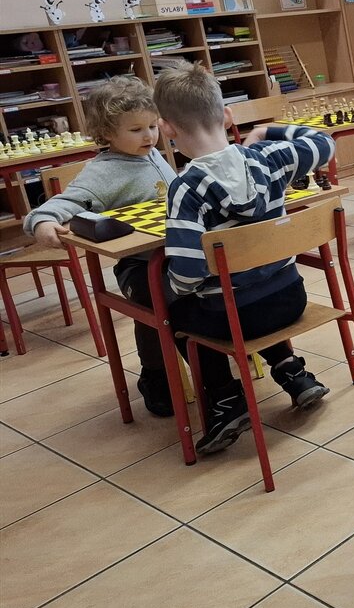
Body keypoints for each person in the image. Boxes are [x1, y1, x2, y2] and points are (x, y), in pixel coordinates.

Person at [154, 62, 333, 455]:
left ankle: (225, 399)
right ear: (228, 116)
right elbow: (324, 142)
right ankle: (292, 372)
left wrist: (178, 286)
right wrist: (268, 131)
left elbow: (187, 271)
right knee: (248, 293)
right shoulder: (270, 157)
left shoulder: (186, 189)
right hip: (291, 299)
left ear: (167, 129)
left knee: (176, 307)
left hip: (232, 320)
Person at [25, 76, 177, 416]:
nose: (149, 136)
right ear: (107, 133)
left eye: (152, 126)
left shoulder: (152, 154)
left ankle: (209, 364)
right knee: (156, 301)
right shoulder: (102, 173)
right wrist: (43, 221)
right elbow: (63, 203)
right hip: (139, 265)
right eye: (136, 129)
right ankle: (155, 376)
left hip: (175, 256)